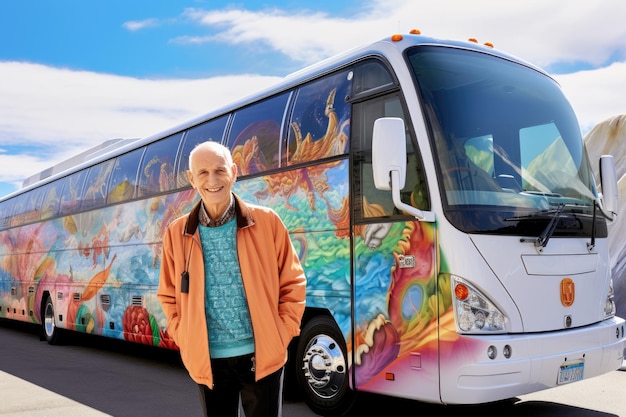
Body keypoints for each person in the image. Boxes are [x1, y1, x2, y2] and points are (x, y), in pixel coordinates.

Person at [157, 141, 307, 417]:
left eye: (220, 170)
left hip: (261, 356)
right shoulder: (176, 233)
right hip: (208, 360)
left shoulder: (268, 222)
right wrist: (185, 336)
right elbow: (168, 295)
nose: (212, 180)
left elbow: (293, 282)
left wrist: (282, 333)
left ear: (234, 172)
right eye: (202, 173)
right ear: (192, 179)